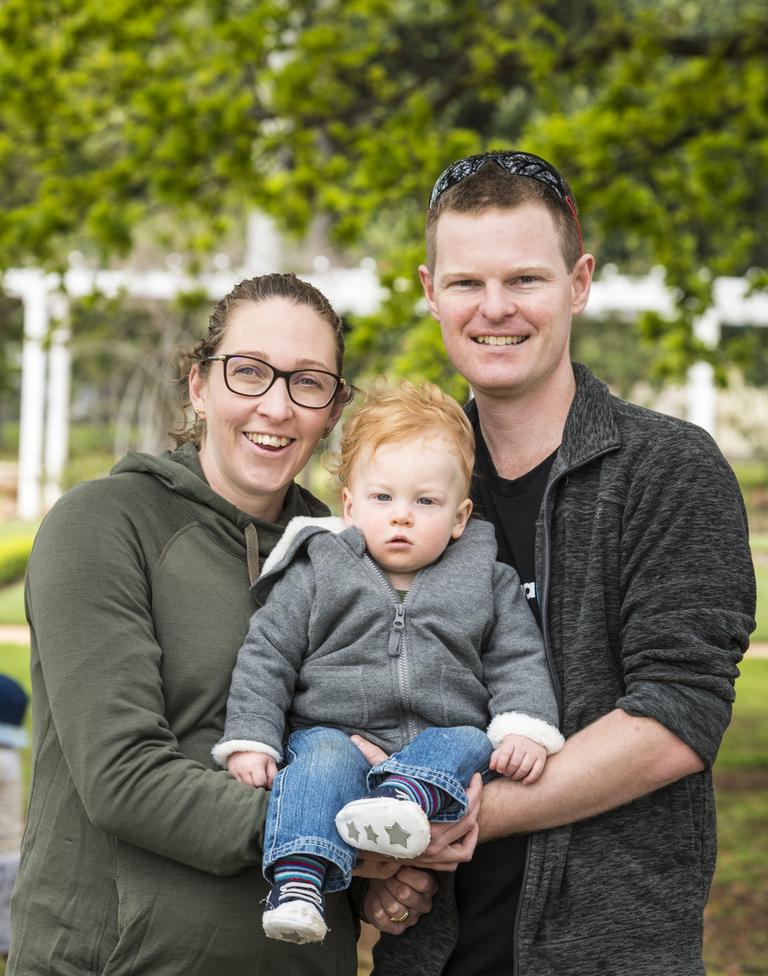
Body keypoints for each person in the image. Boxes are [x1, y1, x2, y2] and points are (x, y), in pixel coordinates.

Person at [359, 151, 757, 976]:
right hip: (428, 958)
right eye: (467, 283)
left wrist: (467, 817)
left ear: (579, 283)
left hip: (608, 953)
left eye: (526, 281)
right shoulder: (402, 485)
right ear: (430, 291)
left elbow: (677, 718)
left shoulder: (668, 470)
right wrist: (383, 861)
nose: (494, 309)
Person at [9, 273, 439, 976]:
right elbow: (123, 776)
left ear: (331, 409)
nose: (276, 405)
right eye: (249, 373)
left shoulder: (351, 558)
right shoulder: (106, 524)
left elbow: (369, 742)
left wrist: (392, 873)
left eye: (307, 382)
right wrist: (335, 836)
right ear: (199, 386)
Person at [211, 380, 563, 947]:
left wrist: (524, 725)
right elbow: (266, 654)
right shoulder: (319, 572)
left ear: (459, 515)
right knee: (317, 766)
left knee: (470, 742)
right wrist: (252, 737)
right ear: (350, 506)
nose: (402, 517)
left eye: (425, 502)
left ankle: (403, 802)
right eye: (383, 499)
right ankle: (299, 885)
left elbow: (518, 658)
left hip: (439, 734)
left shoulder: (486, 580)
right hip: (338, 730)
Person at [0, 675, 28, 960]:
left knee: (7, 939)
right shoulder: (8, 754)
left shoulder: (2, 759)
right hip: (7, 856)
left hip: (3, 861)